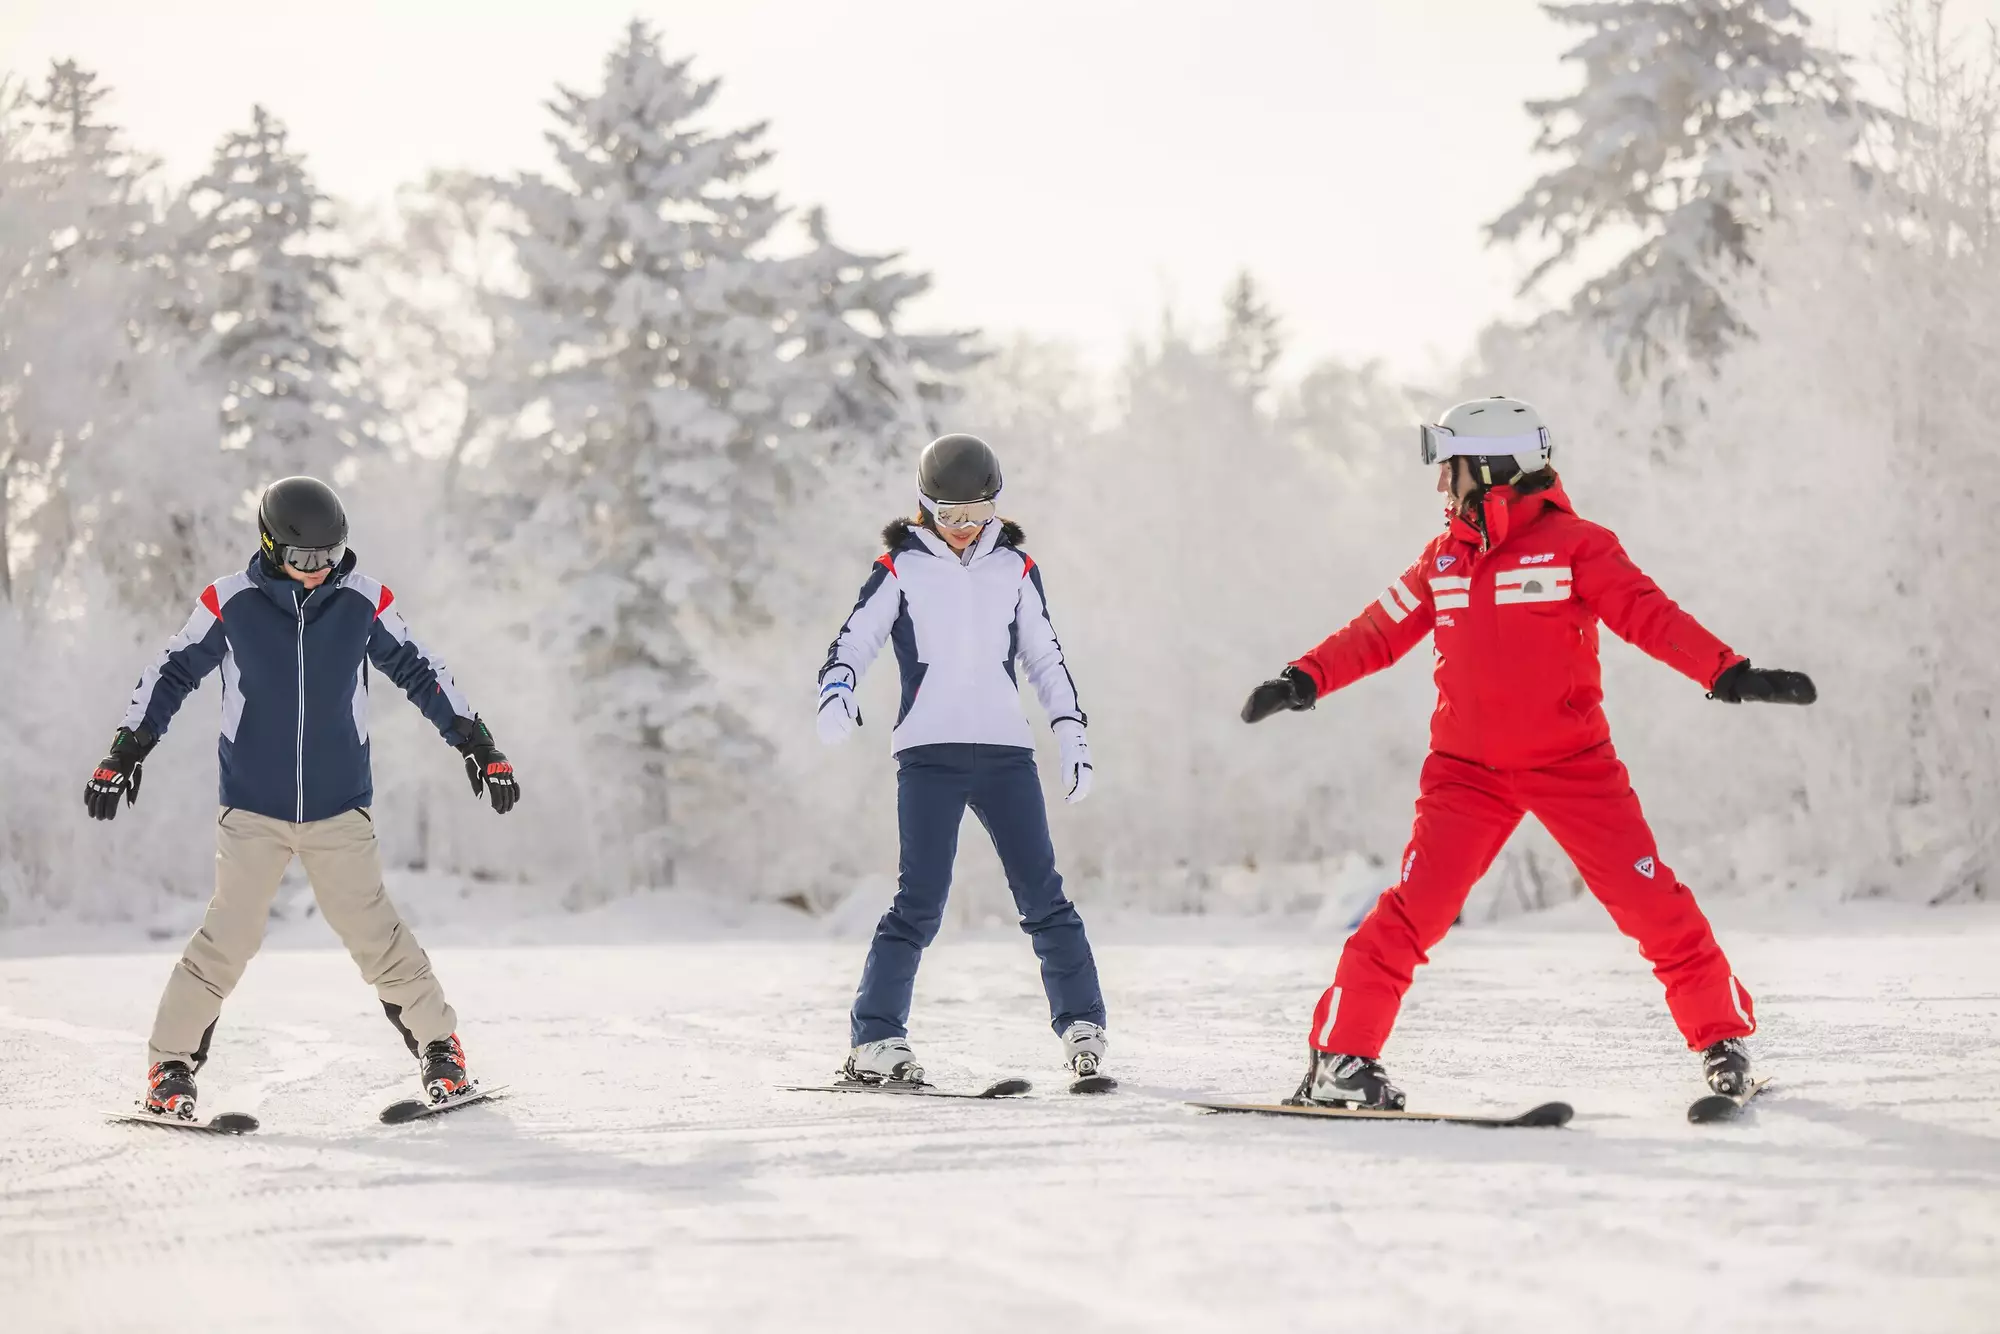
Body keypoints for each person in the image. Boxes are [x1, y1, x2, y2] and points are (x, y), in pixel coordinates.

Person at [1241, 397, 1815, 1109]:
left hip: (1573, 766)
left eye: (1447, 467)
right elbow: (1378, 629)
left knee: (1652, 904)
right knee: (1410, 912)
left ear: (1488, 468)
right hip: (1466, 775)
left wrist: (1727, 673)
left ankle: (1722, 1044)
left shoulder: (1577, 545)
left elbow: (1648, 613)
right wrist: (1304, 678)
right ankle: (1340, 1061)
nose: (1439, 484)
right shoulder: (1444, 558)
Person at [86, 476, 521, 1120]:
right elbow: (171, 671)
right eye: (305, 559)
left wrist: (477, 744)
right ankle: (169, 1069)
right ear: (270, 545)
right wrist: (126, 749)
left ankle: (442, 1053)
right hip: (253, 809)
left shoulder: (362, 600)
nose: (319, 571)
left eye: (330, 556)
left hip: (339, 806)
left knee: (377, 933)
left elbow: (423, 670)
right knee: (227, 937)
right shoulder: (228, 601)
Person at [817, 433, 1108, 1085]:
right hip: (929, 755)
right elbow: (855, 639)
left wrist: (1071, 731)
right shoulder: (900, 567)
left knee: (1043, 895)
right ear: (925, 508)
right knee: (919, 901)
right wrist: (836, 687)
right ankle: (875, 1039)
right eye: (949, 516)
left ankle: (1083, 1024)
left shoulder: (1015, 569)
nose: (962, 529)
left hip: (1006, 754)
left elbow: (1044, 656)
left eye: (975, 515)